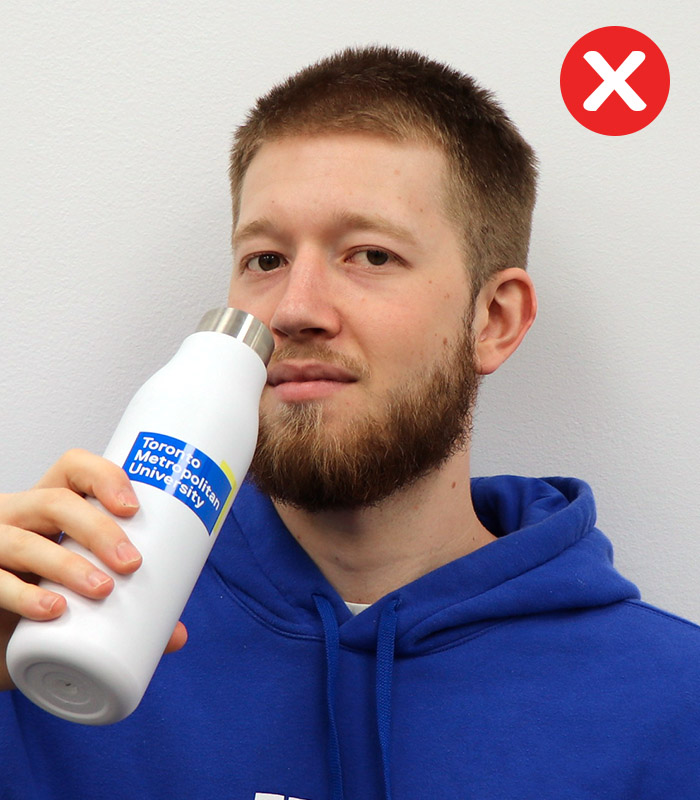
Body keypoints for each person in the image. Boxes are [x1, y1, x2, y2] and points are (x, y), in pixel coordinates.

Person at [1, 46, 699, 800]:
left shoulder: (672, 705)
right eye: (265, 259)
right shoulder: (46, 641)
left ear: (494, 320)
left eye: (370, 255)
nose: (295, 309)